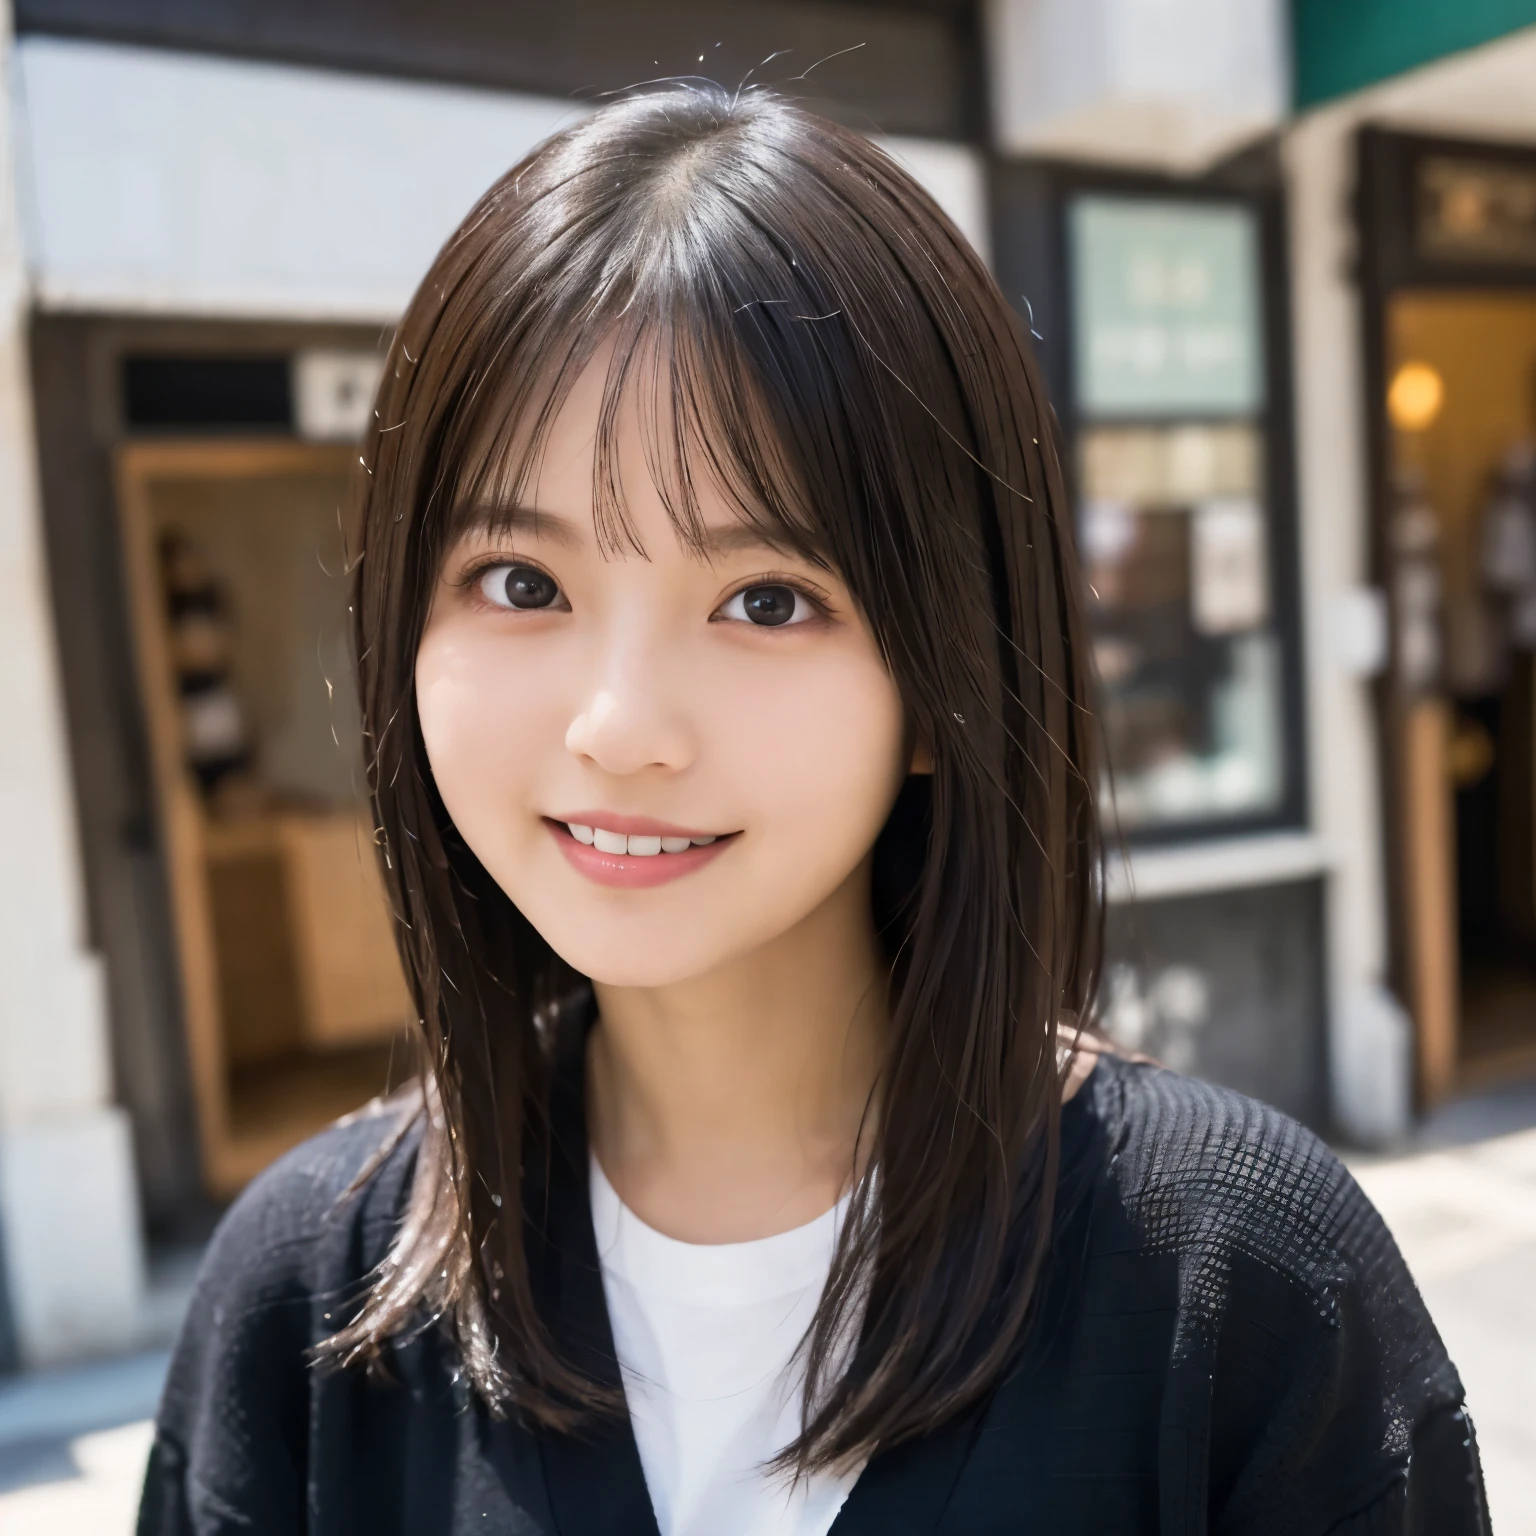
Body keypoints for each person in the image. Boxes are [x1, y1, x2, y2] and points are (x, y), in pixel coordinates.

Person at [137, 87, 1488, 1535]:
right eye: (522, 585)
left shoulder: (1236, 1282)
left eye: (765, 600)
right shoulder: (313, 1299)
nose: (621, 729)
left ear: (947, 670)